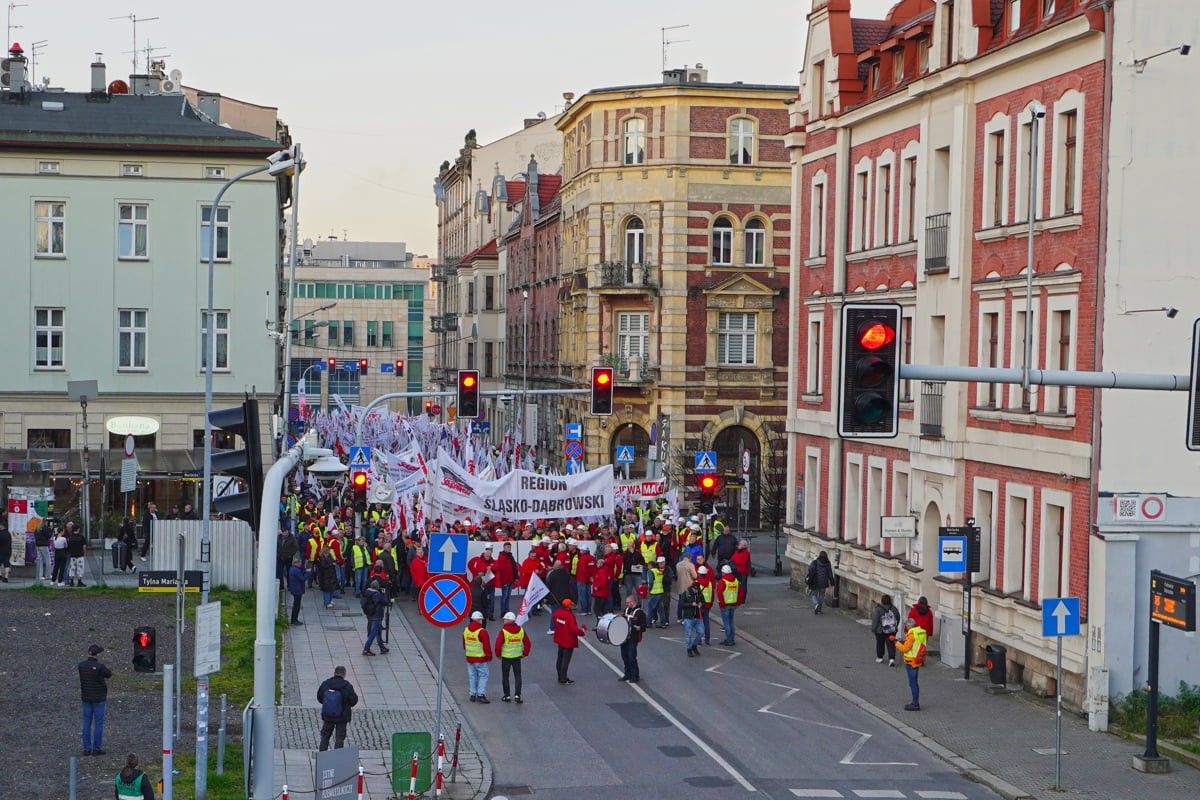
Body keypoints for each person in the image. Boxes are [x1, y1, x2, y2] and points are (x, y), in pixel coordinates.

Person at [79, 643, 112, 755]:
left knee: (86, 723)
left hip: (86, 697)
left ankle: (86, 748)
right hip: (99, 698)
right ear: (97, 655)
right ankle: (96, 748)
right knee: (98, 723)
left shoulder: (81, 666)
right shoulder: (100, 667)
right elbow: (108, 674)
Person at [317, 665, 359, 750]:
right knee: (340, 738)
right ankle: (337, 757)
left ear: (335, 673)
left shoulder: (326, 683)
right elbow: (353, 700)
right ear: (344, 674)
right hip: (342, 717)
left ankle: (322, 755)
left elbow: (320, 697)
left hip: (328, 715)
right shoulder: (347, 686)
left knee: (325, 736)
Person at [495, 611, 530, 703]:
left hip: (506, 657)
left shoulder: (504, 631)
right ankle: (517, 695)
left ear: (509, 620)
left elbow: (498, 644)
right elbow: (527, 643)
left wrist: (498, 655)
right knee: (517, 676)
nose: (504, 621)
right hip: (517, 657)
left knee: (505, 677)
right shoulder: (521, 630)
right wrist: (525, 653)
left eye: (505, 619)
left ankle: (507, 696)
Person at [893, 619, 928, 711]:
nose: (905, 628)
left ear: (908, 626)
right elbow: (914, 644)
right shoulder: (920, 632)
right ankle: (915, 702)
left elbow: (905, 649)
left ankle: (915, 704)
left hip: (911, 661)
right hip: (918, 659)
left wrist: (896, 643)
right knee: (915, 682)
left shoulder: (912, 635)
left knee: (913, 683)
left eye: (906, 626)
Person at [551, 598, 586, 684]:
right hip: (568, 641)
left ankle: (559, 676)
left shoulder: (557, 613)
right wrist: (582, 631)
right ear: (568, 606)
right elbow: (574, 629)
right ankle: (564, 678)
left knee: (560, 658)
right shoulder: (569, 616)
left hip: (560, 639)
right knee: (565, 660)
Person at [463, 610, 493, 703]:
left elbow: (464, 644)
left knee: (472, 676)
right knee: (484, 676)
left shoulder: (466, 630)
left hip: (469, 658)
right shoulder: (482, 632)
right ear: (480, 620)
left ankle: (472, 695)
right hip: (480, 659)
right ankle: (481, 694)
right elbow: (486, 646)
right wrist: (489, 657)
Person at [619, 594, 647, 683]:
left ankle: (635, 675)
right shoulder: (627, 610)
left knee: (631, 657)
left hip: (633, 638)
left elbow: (644, 625)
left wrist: (640, 628)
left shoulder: (640, 613)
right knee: (624, 656)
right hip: (624, 638)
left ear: (632, 602)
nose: (626, 604)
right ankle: (627, 674)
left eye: (627, 602)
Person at [361, 579, 389, 656]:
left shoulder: (367, 592)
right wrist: (384, 594)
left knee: (378, 632)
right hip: (376, 616)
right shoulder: (377, 594)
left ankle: (382, 648)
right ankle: (366, 649)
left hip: (369, 614)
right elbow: (385, 602)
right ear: (377, 587)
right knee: (373, 634)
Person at [871, 594, 900, 666]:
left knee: (880, 644)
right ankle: (892, 659)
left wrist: (873, 629)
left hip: (880, 630)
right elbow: (898, 618)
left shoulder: (878, 609)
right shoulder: (894, 609)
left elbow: (875, 620)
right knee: (891, 644)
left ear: (882, 601)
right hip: (891, 630)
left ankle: (880, 657)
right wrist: (894, 627)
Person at [717, 565, 741, 646]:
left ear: (723, 572)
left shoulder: (722, 581)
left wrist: (721, 603)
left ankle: (728, 639)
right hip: (733, 604)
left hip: (725, 604)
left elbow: (720, 593)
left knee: (726, 623)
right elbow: (740, 592)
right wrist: (738, 602)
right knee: (731, 622)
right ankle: (732, 639)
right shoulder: (736, 581)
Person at [679, 578, 704, 657]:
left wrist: (701, 604)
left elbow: (703, 601)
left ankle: (694, 645)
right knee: (688, 634)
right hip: (688, 617)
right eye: (695, 589)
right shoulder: (686, 593)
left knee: (700, 632)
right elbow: (682, 604)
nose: (696, 591)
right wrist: (691, 604)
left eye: (697, 589)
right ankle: (689, 649)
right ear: (692, 588)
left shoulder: (699, 593)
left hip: (698, 617)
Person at [495, 541, 518, 617]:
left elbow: (514, 568)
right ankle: (503, 612)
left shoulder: (510, 556)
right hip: (505, 581)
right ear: (504, 548)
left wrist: (516, 577)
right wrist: (503, 581)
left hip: (510, 580)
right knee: (504, 597)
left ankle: (506, 610)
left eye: (509, 547)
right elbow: (501, 570)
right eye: (507, 547)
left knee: (507, 597)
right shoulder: (502, 557)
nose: (509, 548)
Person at [695, 564, 715, 645]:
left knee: (699, 623)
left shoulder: (697, 583)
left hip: (699, 605)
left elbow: (694, 595)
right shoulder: (709, 583)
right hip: (707, 605)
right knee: (706, 622)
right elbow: (712, 594)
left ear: (699, 573)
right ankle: (707, 639)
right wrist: (710, 604)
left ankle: (699, 640)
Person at [674, 551, 697, 623]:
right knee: (688, 602)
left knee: (680, 601)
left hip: (680, 585)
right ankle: (685, 618)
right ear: (689, 558)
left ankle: (679, 617)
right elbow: (695, 576)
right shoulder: (690, 565)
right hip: (688, 586)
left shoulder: (678, 564)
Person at [646, 556, 668, 628]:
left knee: (650, 608)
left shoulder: (651, 571)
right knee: (660, 609)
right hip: (660, 592)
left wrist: (649, 590)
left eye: (648, 565)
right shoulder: (658, 571)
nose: (647, 567)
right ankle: (663, 623)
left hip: (654, 592)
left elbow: (651, 582)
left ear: (650, 565)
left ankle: (648, 623)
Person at [316, 544, 340, 609]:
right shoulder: (321, 557)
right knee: (326, 590)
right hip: (325, 576)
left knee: (331, 589)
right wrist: (332, 564)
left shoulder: (330, 556)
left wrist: (334, 562)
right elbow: (323, 566)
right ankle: (327, 603)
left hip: (331, 575)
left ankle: (329, 601)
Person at [287, 557, 307, 625]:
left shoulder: (291, 569)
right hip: (298, 590)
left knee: (296, 605)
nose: (301, 564)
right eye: (300, 562)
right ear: (297, 563)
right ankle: (294, 620)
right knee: (296, 606)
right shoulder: (297, 571)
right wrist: (307, 573)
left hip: (294, 589)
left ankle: (294, 619)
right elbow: (303, 579)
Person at [68, 521, 88, 587]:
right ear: (78, 529)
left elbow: (68, 546)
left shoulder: (70, 537)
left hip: (72, 555)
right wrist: (84, 553)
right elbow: (84, 546)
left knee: (72, 568)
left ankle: (71, 582)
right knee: (80, 568)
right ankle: (79, 582)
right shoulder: (81, 537)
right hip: (80, 555)